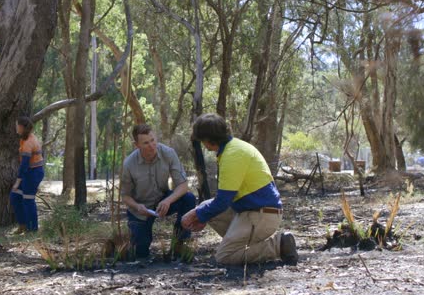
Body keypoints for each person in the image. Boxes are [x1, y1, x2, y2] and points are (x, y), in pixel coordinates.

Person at [181, 113, 298, 264]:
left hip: (261, 214)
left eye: (202, 140)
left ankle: (278, 245)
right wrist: (202, 214)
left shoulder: (232, 155)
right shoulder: (233, 147)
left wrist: (197, 214)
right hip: (251, 211)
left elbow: (222, 202)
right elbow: (223, 201)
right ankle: (241, 246)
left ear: (208, 140)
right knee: (205, 207)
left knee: (224, 257)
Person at [120, 124, 196, 261]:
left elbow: (183, 185)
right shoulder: (129, 164)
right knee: (140, 252)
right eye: (146, 143)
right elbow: (125, 196)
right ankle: (140, 245)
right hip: (141, 209)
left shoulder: (168, 153)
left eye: (153, 140)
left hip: (163, 200)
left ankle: (179, 244)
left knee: (188, 198)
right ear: (136, 145)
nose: (152, 145)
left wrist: (168, 200)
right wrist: (137, 206)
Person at [10, 116, 45, 234]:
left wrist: (18, 181)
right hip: (29, 172)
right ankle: (23, 225)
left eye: (17, 125)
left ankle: (32, 229)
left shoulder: (29, 142)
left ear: (21, 127)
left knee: (28, 200)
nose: (16, 127)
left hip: (33, 173)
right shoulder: (25, 138)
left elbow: (24, 164)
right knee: (15, 196)